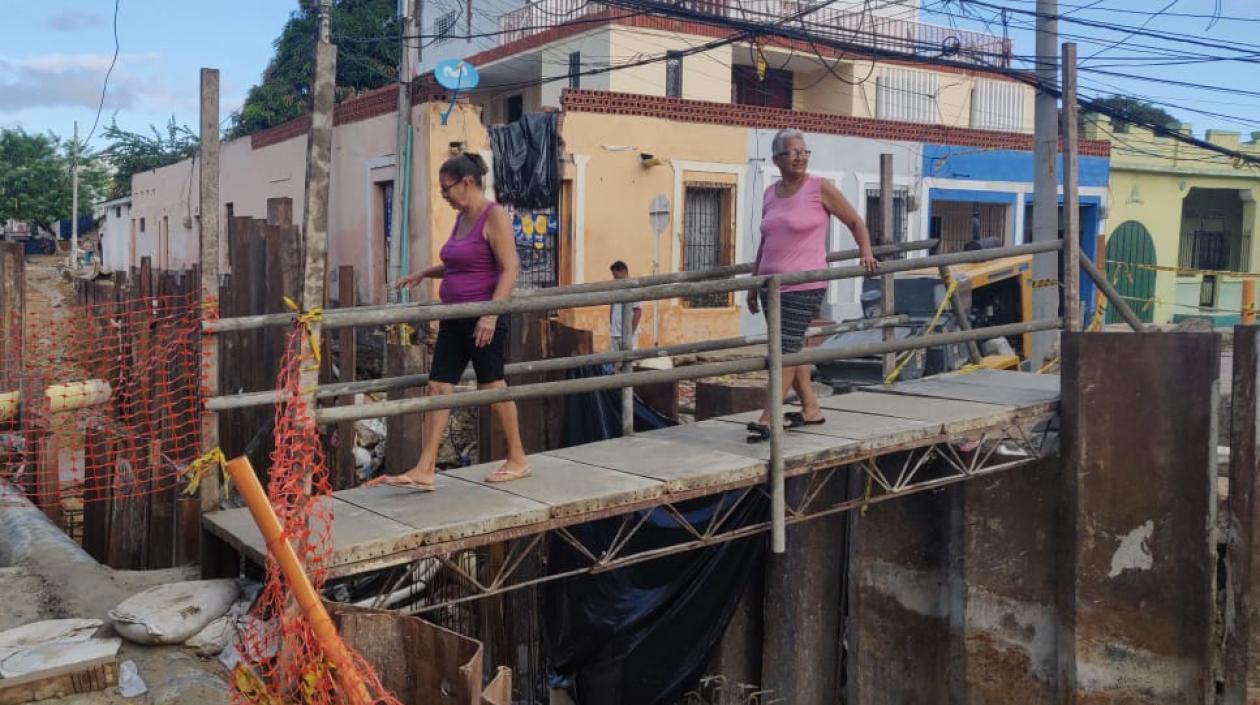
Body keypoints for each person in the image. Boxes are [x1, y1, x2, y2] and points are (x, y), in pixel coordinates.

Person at [369, 153, 530, 489]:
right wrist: (425, 272)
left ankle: (517, 458)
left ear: (466, 183)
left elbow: (510, 267)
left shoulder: (493, 215)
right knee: (438, 386)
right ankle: (425, 468)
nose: (442, 194)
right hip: (453, 317)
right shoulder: (462, 218)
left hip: (483, 318)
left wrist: (490, 313)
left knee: (492, 385)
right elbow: (461, 261)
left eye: (446, 188)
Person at [745, 128, 878, 442]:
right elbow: (766, 241)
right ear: (777, 159)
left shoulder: (820, 188)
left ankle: (768, 416)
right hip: (771, 286)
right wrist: (754, 283)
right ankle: (811, 408)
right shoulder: (770, 193)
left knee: (785, 351)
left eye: (804, 151)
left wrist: (866, 251)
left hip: (804, 285)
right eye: (792, 152)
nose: (800, 157)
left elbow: (855, 221)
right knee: (791, 348)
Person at [608, 260, 642, 352]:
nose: (614, 279)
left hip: (628, 333)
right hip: (615, 333)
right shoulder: (615, 288)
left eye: (616, 276)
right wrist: (612, 324)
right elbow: (612, 306)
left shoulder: (634, 288)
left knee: (629, 360)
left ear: (623, 271)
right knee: (615, 360)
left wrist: (630, 332)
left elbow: (637, 312)